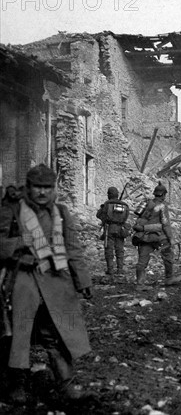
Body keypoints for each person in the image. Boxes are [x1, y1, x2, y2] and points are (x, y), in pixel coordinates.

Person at [0, 164, 92, 403]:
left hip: (56, 280)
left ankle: (66, 383)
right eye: (37, 187)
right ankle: (16, 385)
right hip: (23, 278)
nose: (42, 192)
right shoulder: (12, 209)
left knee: (58, 332)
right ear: (28, 188)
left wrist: (82, 279)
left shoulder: (61, 212)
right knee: (20, 333)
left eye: (47, 188)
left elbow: (73, 247)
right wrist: (21, 243)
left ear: (54, 189)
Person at [132, 182, 181, 288]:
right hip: (158, 237)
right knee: (167, 255)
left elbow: (138, 218)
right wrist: (171, 238)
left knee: (142, 260)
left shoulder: (146, 203)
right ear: (163, 195)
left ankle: (139, 284)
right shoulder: (162, 206)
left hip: (144, 236)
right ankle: (169, 278)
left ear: (155, 194)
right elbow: (165, 224)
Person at [96, 187, 130, 276]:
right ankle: (120, 269)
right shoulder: (125, 205)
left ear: (109, 195)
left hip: (109, 228)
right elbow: (126, 216)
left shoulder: (107, 204)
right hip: (121, 229)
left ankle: (110, 269)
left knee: (109, 249)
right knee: (120, 249)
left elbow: (99, 215)